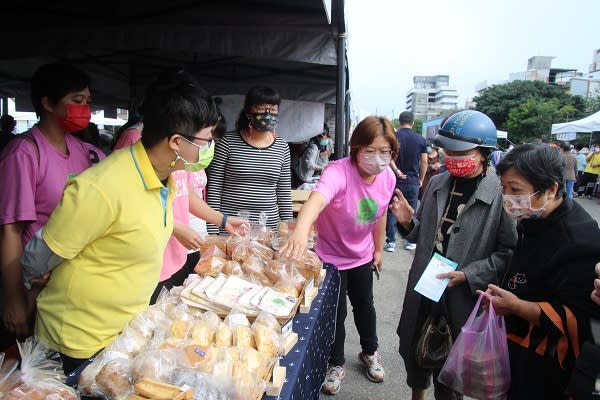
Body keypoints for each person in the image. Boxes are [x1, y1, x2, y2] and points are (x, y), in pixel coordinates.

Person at [19, 68, 245, 375]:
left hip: (124, 335)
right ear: (177, 142)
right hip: (77, 343)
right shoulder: (102, 186)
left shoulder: (166, 177)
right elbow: (36, 259)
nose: (209, 148)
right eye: (206, 140)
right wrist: (28, 285)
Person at [390, 110, 517, 400]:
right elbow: (421, 235)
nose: (451, 156)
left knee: (450, 368)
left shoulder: (500, 192)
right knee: (413, 349)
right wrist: (408, 221)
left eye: (460, 151)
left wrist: (469, 274)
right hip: (425, 286)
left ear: (484, 153)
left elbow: (508, 252)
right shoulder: (437, 182)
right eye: (447, 149)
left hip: (462, 297)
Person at [280, 116, 399, 395]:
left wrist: (378, 249)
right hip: (329, 258)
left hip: (361, 256)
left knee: (365, 306)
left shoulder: (389, 177)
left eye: (385, 152)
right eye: (370, 150)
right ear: (356, 147)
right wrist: (301, 230)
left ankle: (370, 351)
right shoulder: (338, 172)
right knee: (336, 314)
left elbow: (378, 215)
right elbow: (317, 200)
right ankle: (335, 363)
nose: (378, 159)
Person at [481, 143, 600, 400]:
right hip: (516, 343)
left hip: (547, 359)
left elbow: (574, 317)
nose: (508, 197)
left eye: (516, 190)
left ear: (551, 189)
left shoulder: (579, 241)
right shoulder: (533, 218)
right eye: (504, 188)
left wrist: (515, 306)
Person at [0, 63, 105, 352]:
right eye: (76, 100)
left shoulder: (88, 153)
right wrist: (13, 299)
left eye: (88, 101)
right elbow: (10, 230)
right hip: (35, 290)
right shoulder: (24, 153)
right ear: (47, 103)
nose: (85, 108)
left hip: (71, 290)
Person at [205, 85, 292, 232]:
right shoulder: (227, 142)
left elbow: (283, 193)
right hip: (231, 228)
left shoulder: (282, 146)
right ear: (248, 112)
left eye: (272, 109)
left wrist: (288, 229)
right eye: (261, 108)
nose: (267, 114)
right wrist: (213, 230)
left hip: (268, 229)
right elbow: (214, 188)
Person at [385, 111, 427, 252]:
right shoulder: (420, 139)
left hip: (395, 180)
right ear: (413, 122)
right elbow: (424, 161)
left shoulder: (394, 137)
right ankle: (410, 241)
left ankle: (391, 242)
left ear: (400, 122)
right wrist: (420, 179)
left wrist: (397, 171)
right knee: (411, 211)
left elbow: (388, 157)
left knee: (392, 210)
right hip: (413, 181)